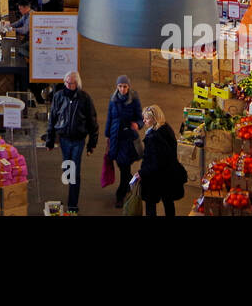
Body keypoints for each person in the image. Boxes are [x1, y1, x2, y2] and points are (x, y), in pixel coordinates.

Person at [43, 70, 98, 214]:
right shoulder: (58, 97)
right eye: (66, 82)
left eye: (71, 83)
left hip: (78, 140)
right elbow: (53, 119)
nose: (68, 85)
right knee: (67, 169)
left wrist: (92, 144)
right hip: (64, 139)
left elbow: (92, 121)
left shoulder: (85, 98)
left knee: (74, 171)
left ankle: (73, 204)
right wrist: (49, 140)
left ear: (77, 84)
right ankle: (71, 185)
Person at [105, 75, 144, 208]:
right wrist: (107, 135)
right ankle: (132, 183)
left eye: (125, 86)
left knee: (124, 166)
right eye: (120, 86)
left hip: (128, 138)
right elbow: (109, 118)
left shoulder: (134, 100)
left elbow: (140, 118)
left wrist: (137, 125)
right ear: (117, 87)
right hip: (116, 136)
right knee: (122, 167)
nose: (122, 89)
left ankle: (120, 195)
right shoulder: (113, 99)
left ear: (129, 87)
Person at [138, 104, 183, 217]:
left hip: (155, 177)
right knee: (168, 202)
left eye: (147, 118)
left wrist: (141, 173)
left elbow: (154, 161)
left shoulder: (153, 138)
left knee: (150, 203)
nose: (144, 121)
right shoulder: (167, 128)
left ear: (154, 119)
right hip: (169, 174)